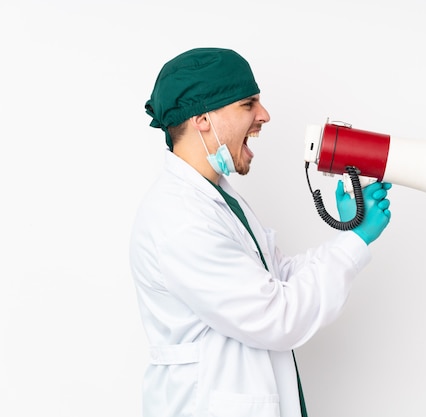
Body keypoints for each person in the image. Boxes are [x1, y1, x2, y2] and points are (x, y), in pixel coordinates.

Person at [129, 47, 392, 417]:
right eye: (248, 104)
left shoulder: (214, 198)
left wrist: (350, 233)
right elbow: (276, 315)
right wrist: (354, 241)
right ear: (203, 117)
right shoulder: (181, 219)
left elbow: (277, 277)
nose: (264, 115)